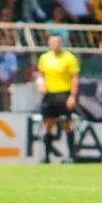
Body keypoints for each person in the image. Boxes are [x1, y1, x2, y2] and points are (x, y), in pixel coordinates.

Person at [36, 34, 80, 163]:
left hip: (64, 95)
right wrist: (40, 84)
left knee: (66, 124)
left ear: (61, 43)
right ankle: (47, 157)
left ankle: (71, 155)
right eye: (52, 42)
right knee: (48, 125)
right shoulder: (44, 58)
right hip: (49, 95)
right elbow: (40, 74)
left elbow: (74, 78)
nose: (54, 44)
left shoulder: (69, 58)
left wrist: (72, 96)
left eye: (56, 42)